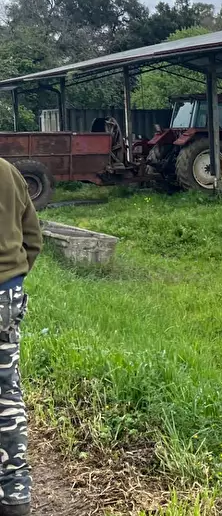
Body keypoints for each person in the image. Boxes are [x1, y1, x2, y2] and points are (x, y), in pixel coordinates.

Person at [0, 158, 42, 516]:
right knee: (6, 393)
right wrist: (13, 277)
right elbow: (33, 237)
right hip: (5, 296)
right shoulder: (8, 172)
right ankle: (15, 496)